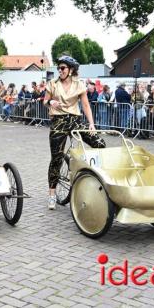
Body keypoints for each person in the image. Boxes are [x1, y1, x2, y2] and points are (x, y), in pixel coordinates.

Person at [44, 56, 106, 210]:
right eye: (58, 68)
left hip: (75, 120)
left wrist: (91, 124)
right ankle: (52, 195)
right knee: (56, 158)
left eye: (63, 68)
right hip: (58, 121)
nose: (60, 70)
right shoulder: (52, 83)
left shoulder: (79, 84)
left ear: (71, 70)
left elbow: (85, 104)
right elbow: (44, 100)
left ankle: (98, 178)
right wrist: (50, 102)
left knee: (99, 143)